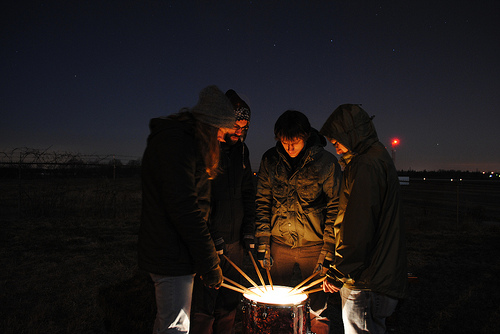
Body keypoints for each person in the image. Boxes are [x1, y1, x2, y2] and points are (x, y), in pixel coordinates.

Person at [138, 85, 236, 334]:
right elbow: (184, 210)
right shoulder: (177, 144)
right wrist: (209, 263)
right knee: (175, 326)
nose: (222, 140)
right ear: (210, 126)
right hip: (170, 254)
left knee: (169, 321)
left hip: (175, 251)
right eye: (221, 133)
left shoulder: (183, 142)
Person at [319, 104, 407, 334]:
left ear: (350, 134)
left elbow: (358, 227)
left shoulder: (366, 165)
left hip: (367, 281)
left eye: (337, 143)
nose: (337, 150)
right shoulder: (376, 158)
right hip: (377, 276)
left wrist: (339, 272)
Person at [255, 110, 342, 334]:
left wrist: (328, 250)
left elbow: (335, 208)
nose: (290, 148)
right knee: (275, 301)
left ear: (305, 136)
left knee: (317, 307)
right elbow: (263, 201)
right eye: (285, 142)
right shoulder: (270, 160)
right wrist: (263, 242)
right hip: (279, 244)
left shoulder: (326, 163)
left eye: (295, 142)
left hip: (314, 247)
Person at [190, 89, 256, 333]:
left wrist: (249, 228)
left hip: (235, 239)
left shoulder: (242, 152)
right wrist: (210, 234)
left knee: (229, 298)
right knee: (206, 297)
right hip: (210, 241)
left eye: (244, 126)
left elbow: (248, 191)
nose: (240, 131)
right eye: (235, 125)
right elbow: (197, 200)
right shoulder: (206, 150)